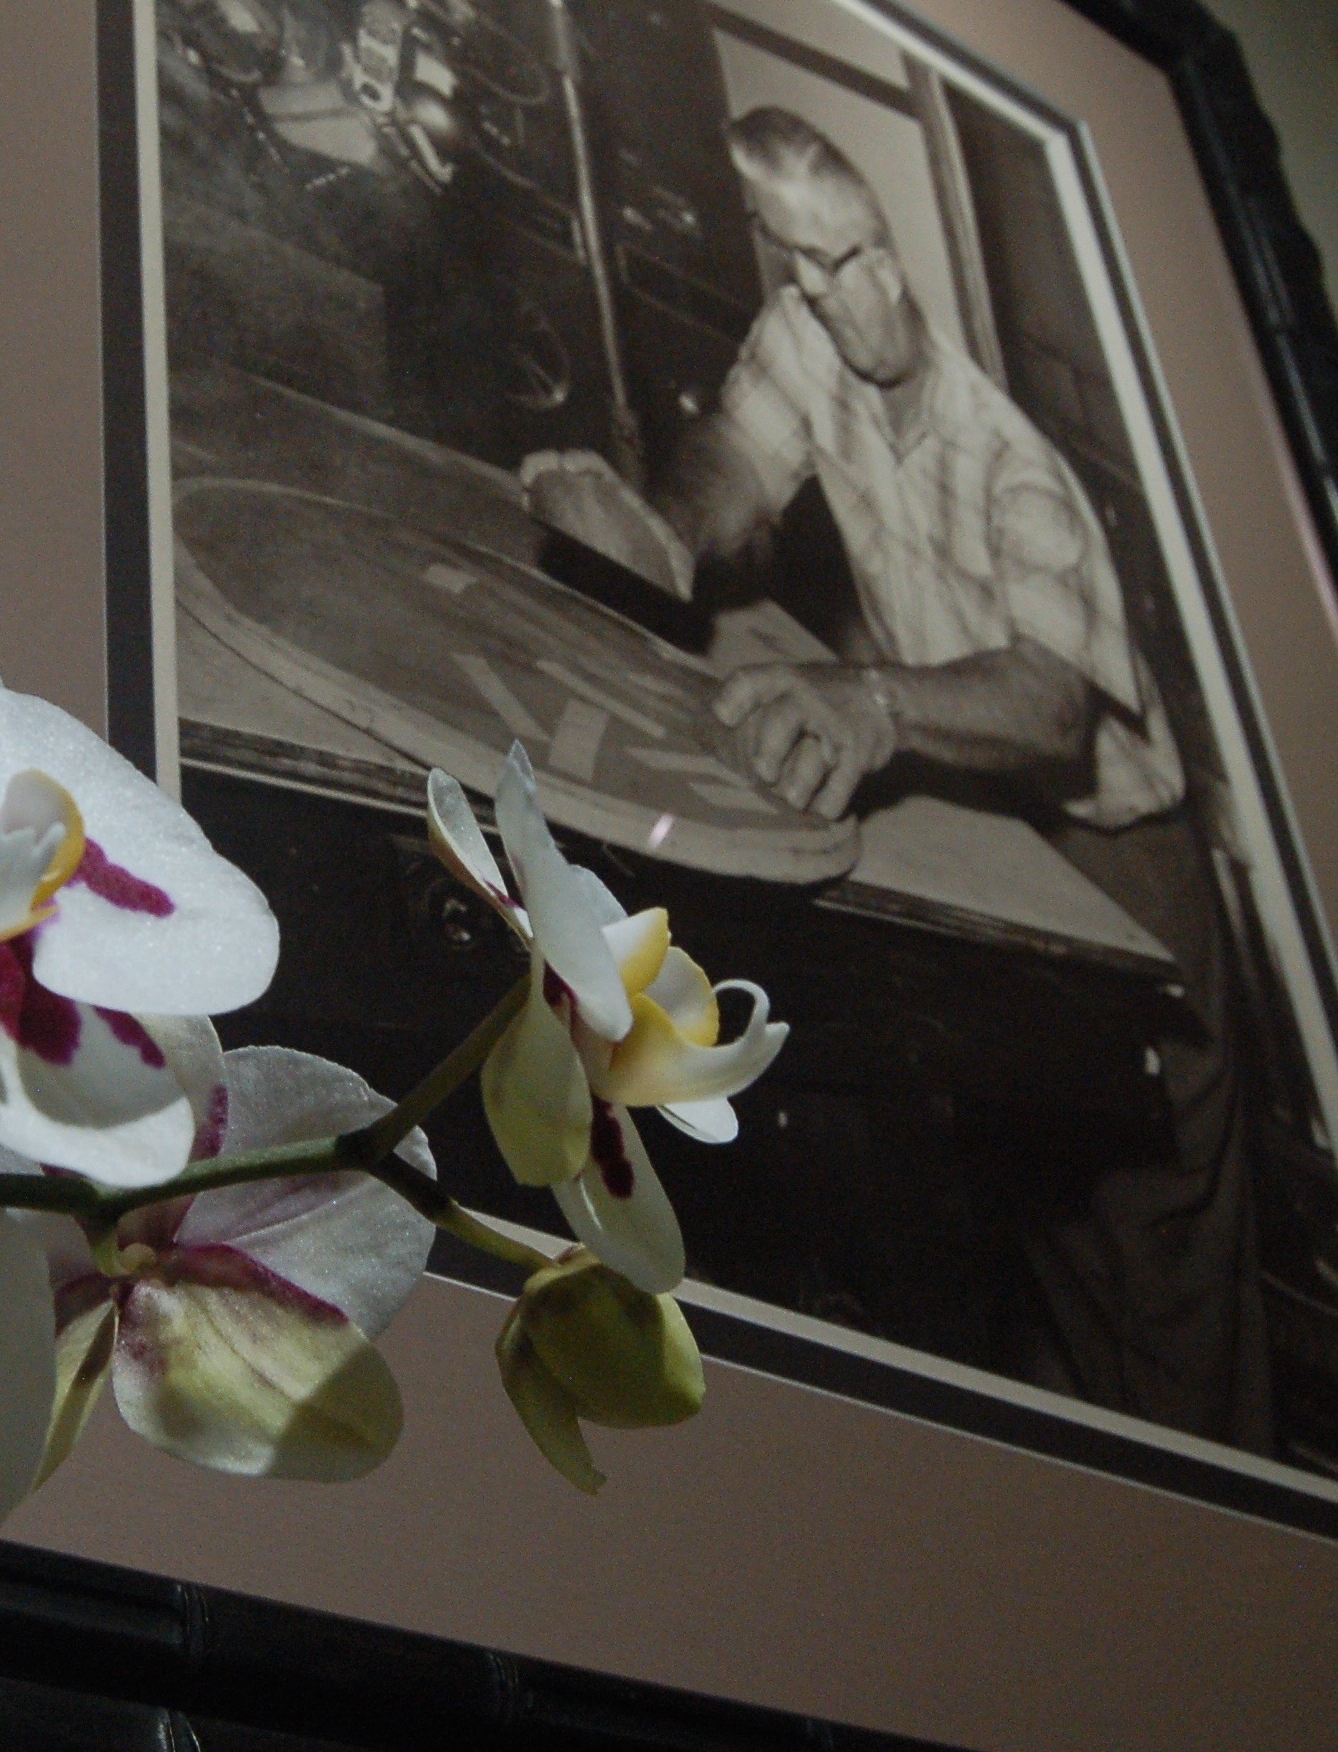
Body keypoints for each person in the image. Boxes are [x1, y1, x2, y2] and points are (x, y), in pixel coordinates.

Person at [531, 105, 1272, 1450]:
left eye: (863, 253)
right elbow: (739, 455)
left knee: (1159, 1261)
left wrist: (871, 704)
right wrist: (666, 531)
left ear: (902, 242)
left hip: (1124, 860)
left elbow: (1048, 703)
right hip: (987, 825)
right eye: (809, 262)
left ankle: (1218, 1534)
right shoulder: (804, 332)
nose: (843, 293)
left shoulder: (1012, 465)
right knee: (1039, 1216)